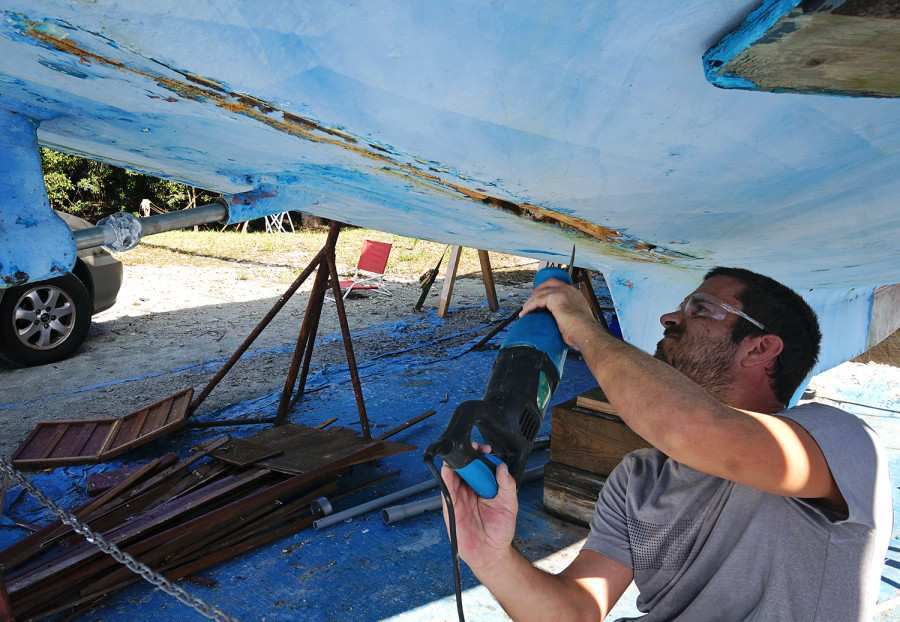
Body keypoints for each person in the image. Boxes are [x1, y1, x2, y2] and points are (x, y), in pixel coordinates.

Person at [441, 266, 891, 621]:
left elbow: (693, 428)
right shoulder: (639, 476)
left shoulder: (838, 441)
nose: (669, 317)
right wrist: (491, 558)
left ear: (760, 348)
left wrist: (582, 326)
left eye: (700, 308)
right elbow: (575, 612)